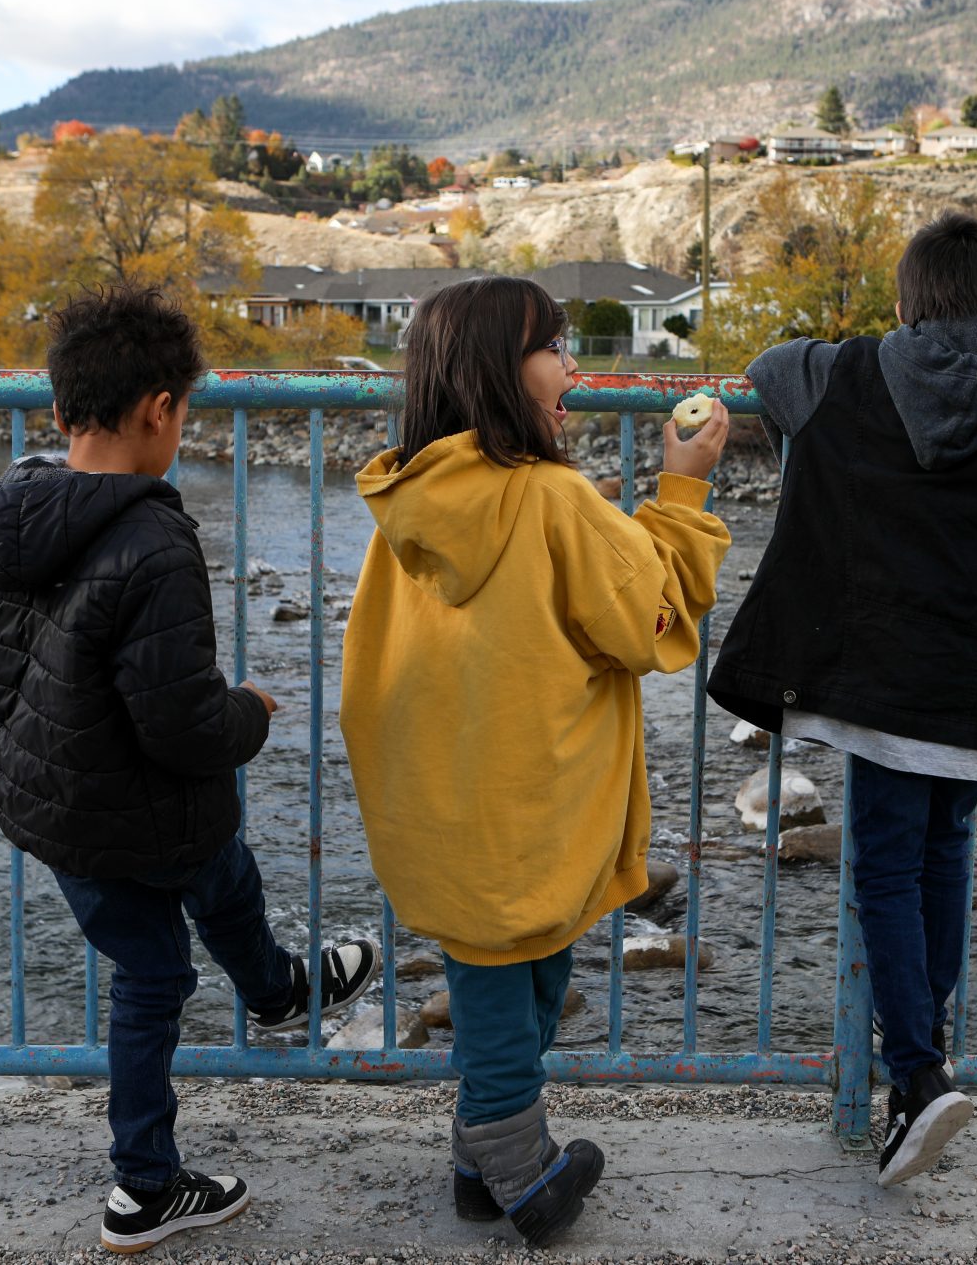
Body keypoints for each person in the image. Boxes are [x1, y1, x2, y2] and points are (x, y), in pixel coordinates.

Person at [708, 212, 977, 1186]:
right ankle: (926, 1048)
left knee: (882, 875)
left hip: (870, 674)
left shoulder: (850, 370)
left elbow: (770, 366)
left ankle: (912, 1076)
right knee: (942, 854)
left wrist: (865, 345)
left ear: (904, 300)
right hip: (975, 679)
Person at [0, 284, 377, 1254]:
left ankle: (252, 1025)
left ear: (61, 413)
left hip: (57, 808)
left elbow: (1, 678)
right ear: (161, 412)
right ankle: (164, 1154)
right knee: (206, 875)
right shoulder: (155, 537)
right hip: (138, 804)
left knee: (154, 956)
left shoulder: (13, 518)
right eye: (182, 412)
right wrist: (250, 715)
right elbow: (184, 726)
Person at [339, 276, 732, 1245]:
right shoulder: (553, 500)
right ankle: (523, 1179)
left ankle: (480, 1163)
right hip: (534, 799)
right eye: (554, 348)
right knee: (510, 987)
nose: (574, 368)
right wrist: (680, 489)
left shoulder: (411, 508)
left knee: (507, 976)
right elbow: (649, 621)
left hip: (448, 799)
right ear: (497, 373)